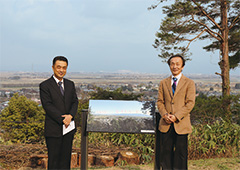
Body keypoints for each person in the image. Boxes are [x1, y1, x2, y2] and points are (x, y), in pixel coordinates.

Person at [157, 54, 196, 170]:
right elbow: (160, 102)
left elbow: (190, 103)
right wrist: (165, 115)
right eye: (172, 64)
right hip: (166, 123)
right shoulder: (163, 83)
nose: (175, 66)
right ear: (169, 66)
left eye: (177, 64)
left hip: (181, 124)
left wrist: (176, 116)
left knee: (181, 154)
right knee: (165, 153)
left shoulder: (189, 83)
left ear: (182, 66)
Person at [40, 56, 78, 169]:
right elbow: (47, 105)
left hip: (68, 129)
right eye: (59, 67)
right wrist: (63, 119)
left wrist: (70, 116)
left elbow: (75, 102)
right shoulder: (45, 85)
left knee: (66, 161)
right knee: (54, 161)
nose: (61, 70)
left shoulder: (70, 84)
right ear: (53, 68)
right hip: (53, 129)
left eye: (64, 68)